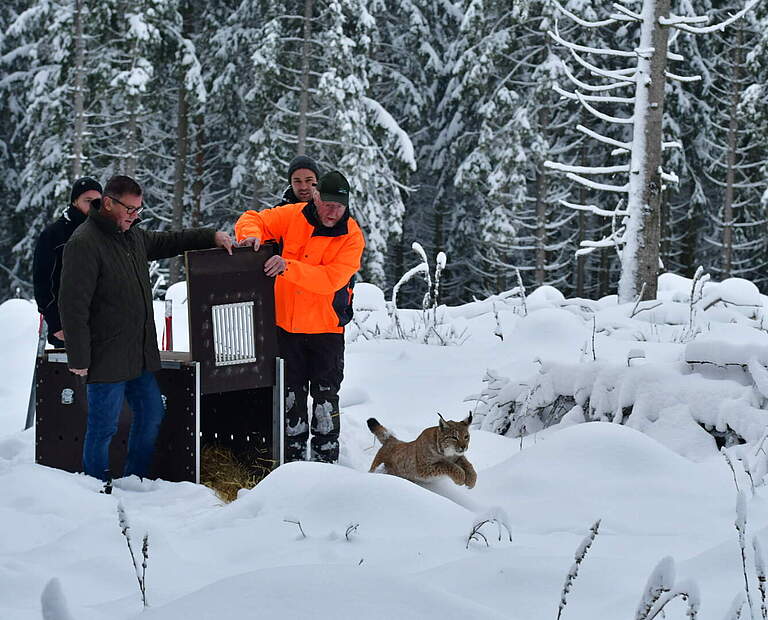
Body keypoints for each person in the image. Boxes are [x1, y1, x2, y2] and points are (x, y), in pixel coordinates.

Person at [59, 175, 235, 483]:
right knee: (103, 428)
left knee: (152, 414)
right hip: (104, 356)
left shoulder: (133, 236)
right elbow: (72, 305)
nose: (135, 215)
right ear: (109, 203)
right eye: (130, 209)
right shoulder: (84, 243)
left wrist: (212, 236)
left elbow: (172, 240)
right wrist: (79, 358)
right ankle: (95, 488)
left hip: (138, 353)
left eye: (139, 209)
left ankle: (135, 479)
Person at [235, 170, 364, 463]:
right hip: (286, 329)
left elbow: (331, 279)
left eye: (339, 207)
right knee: (289, 398)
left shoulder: (352, 237)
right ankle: (290, 464)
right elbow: (252, 217)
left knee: (325, 399)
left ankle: (326, 461)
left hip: (326, 331)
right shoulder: (293, 215)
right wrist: (252, 237)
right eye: (328, 204)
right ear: (316, 198)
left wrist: (287, 267)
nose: (332, 213)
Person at [33, 177, 102, 347]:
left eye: (97, 201)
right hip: (68, 329)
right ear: (75, 201)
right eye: (88, 200)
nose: (93, 205)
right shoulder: (54, 235)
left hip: (105, 332)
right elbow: (42, 283)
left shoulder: (105, 232)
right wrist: (56, 323)